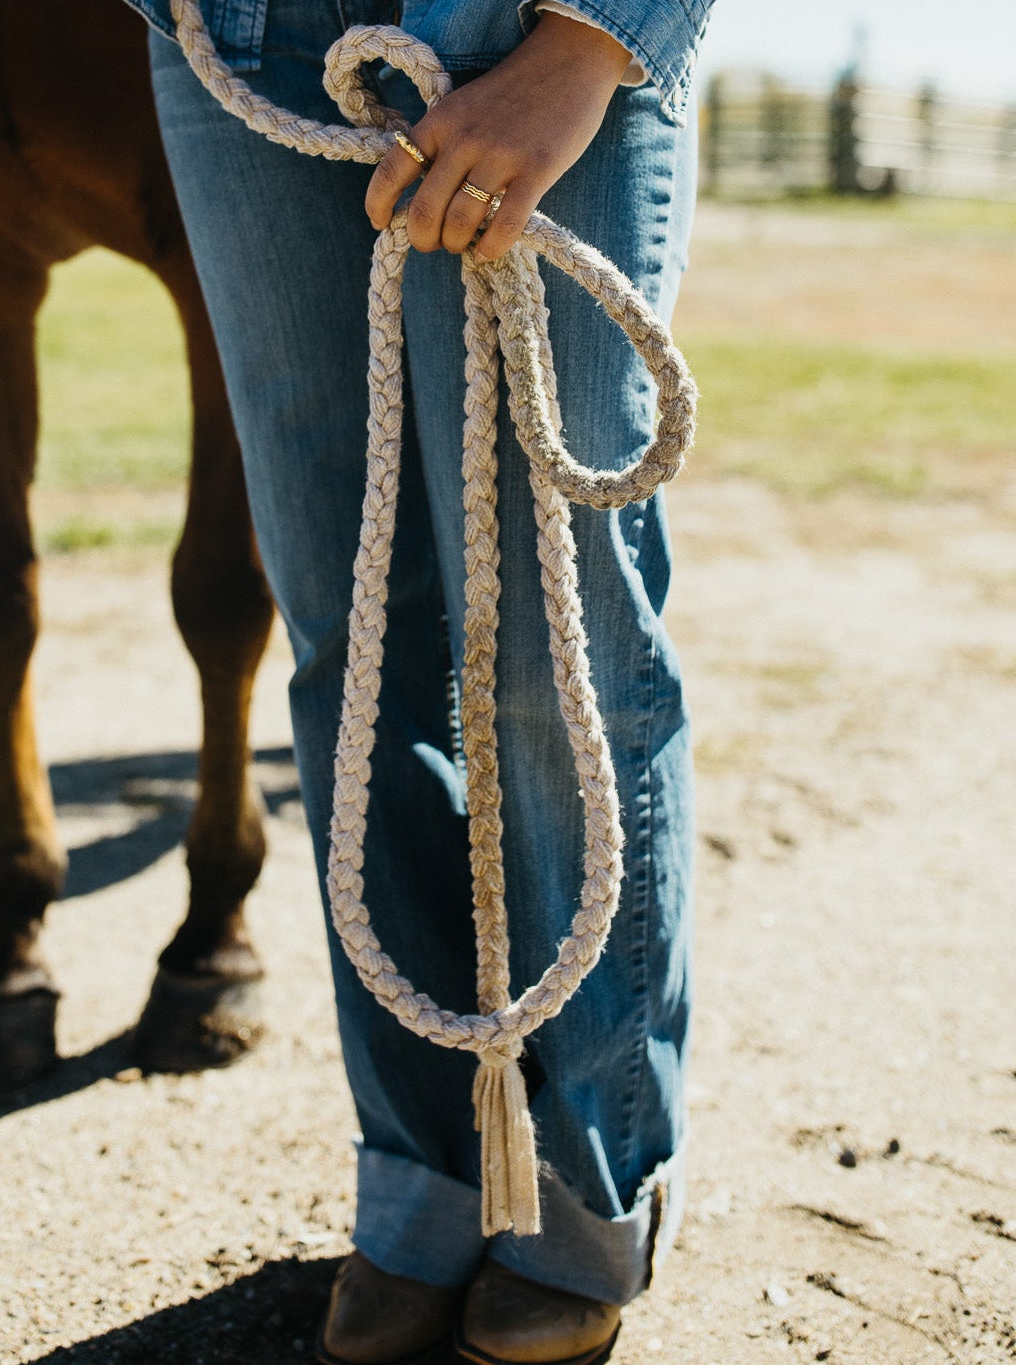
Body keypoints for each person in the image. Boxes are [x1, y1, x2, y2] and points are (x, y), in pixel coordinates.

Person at [127, 0, 712, 1360]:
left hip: (516, 20)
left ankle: (586, 1178)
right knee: (348, 637)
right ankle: (421, 1169)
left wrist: (583, 48)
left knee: (556, 645)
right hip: (231, 43)